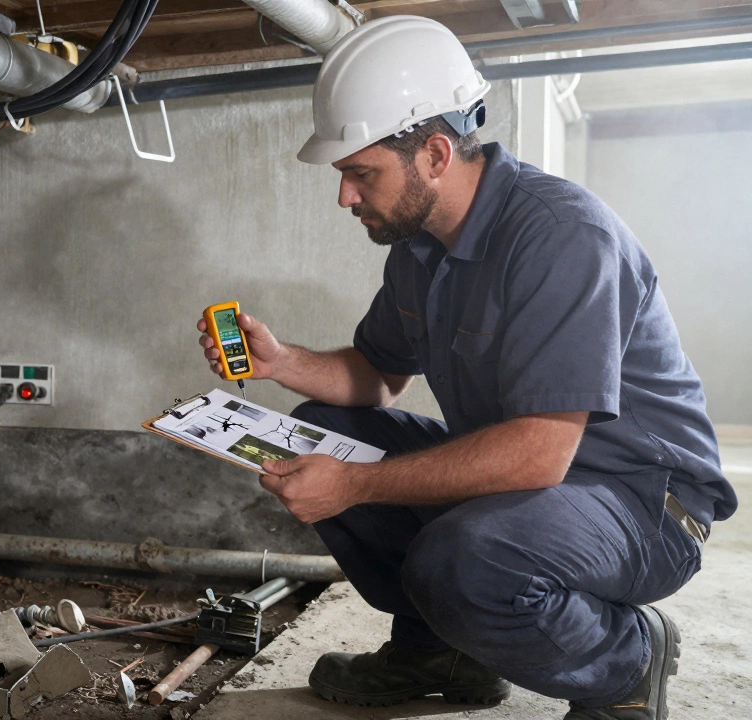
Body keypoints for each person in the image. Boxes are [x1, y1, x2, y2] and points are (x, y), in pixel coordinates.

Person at [195, 15, 735, 720]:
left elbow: (539, 454)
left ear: (437, 154)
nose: (345, 197)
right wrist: (283, 362)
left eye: (361, 174)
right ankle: (440, 652)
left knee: (463, 558)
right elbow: (378, 375)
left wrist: (354, 485)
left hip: (643, 503)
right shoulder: (419, 248)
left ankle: (624, 664)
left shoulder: (561, 236)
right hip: (538, 480)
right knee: (318, 431)